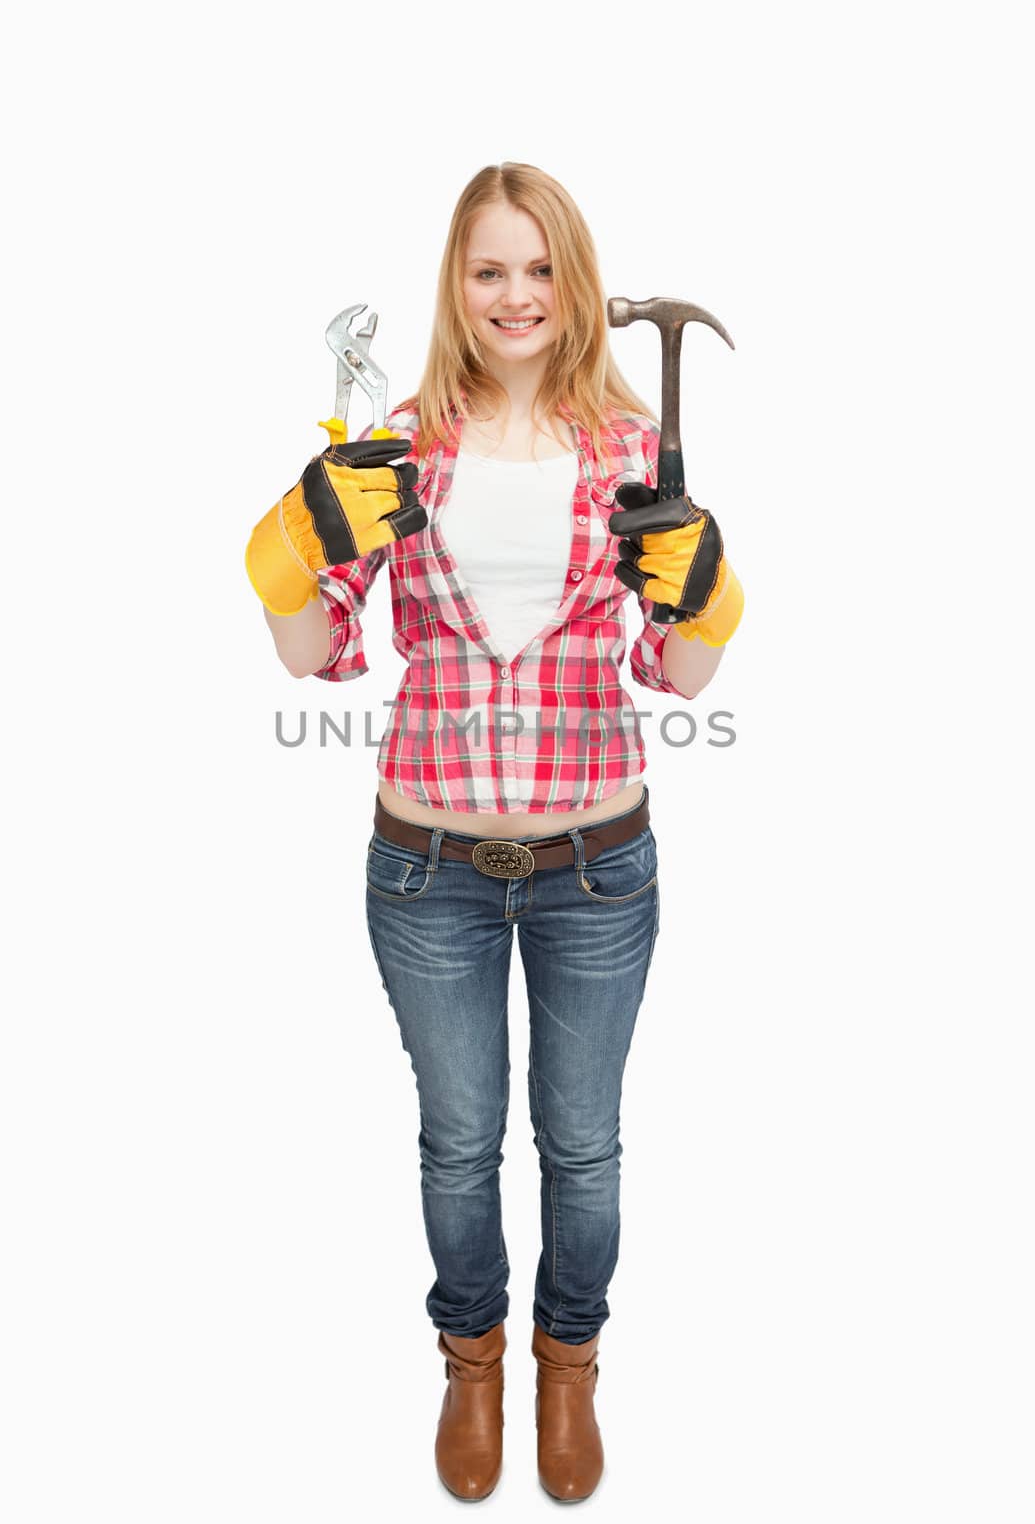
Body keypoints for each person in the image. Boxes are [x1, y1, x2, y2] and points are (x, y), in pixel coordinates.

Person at [244, 162, 743, 1501]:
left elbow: (683, 679)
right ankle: (472, 1361)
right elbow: (314, 654)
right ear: (454, 289)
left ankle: (566, 1360)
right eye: (487, 270)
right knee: (459, 1142)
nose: (514, 295)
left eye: (538, 269)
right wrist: (285, 547)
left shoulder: (639, 452)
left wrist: (710, 593)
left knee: (581, 1143)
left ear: (572, 285)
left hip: (598, 869)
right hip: (428, 872)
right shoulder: (396, 444)